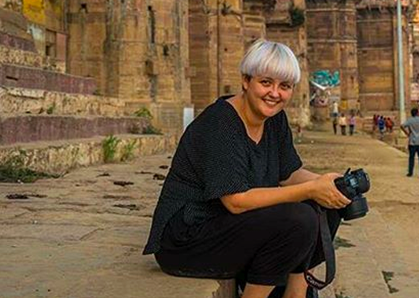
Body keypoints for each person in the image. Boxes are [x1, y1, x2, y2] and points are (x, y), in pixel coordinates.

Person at [143, 40, 352, 298]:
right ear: (246, 81)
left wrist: (332, 185)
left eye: (284, 86)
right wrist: (310, 189)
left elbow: (289, 174)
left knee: (326, 205)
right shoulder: (220, 123)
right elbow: (236, 201)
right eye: (266, 83)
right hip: (188, 239)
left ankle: (296, 294)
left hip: (229, 227)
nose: (274, 93)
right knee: (300, 218)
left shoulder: (274, 119)